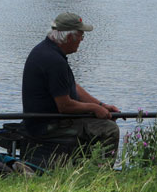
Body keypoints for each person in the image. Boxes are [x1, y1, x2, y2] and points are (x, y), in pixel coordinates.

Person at [21, 12, 120, 161]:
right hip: (46, 125)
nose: (82, 40)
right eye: (81, 35)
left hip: (49, 119)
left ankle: (81, 166)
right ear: (68, 38)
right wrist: (94, 109)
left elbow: (73, 86)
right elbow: (65, 106)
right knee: (109, 129)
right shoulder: (54, 60)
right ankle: (101, 173)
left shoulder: (47, 50)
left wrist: (101, 105)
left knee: (97, 122)